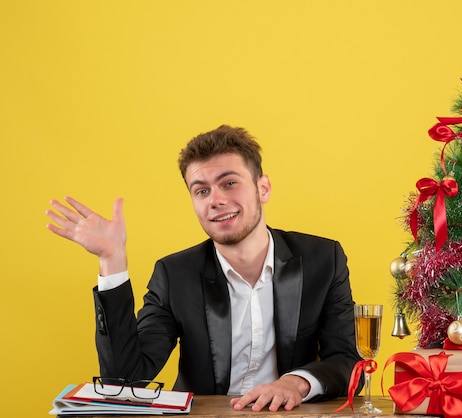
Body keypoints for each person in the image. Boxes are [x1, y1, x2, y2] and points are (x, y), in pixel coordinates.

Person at [46, 125, 362, 412]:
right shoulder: (175, 275)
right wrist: (112, 260)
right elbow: (123, 381)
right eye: (202, 190)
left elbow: (348, 361)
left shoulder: (323, 258)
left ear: (262, 188)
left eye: (229, 183)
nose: (216, 200)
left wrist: (296, 383)